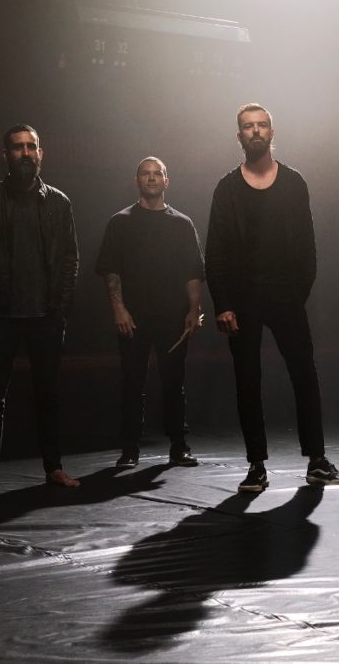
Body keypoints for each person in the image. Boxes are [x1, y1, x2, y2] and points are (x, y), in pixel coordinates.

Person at [205, 103, 339, 493]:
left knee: (304, 374)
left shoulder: (293, 183)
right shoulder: (226, 188)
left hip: (287, 296)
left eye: (262, 125)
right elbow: (215, 252)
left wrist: (296, 293)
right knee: (247, 380)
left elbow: (307, 245)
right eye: (247, 126)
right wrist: (223, 303)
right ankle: (256, 466)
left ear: (272, 132)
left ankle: (317, 461)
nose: (255, 131)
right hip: (242, 300)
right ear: (239, 136)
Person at [0, 124, 81, 493]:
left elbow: (70, 259)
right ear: (6, 155)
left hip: (46, 315)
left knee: (49, 395)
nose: (25, 153)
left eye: (31, 147)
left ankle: (54, 468)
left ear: (40, 154)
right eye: (18, 147)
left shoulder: (59, 202)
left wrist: (60, 309)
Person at [95, 157, 205, 469]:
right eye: (146, 173)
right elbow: (111, 270)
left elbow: (193, 272)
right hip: (134, 316)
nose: (152, 178)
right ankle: (130, 449)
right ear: (137, 181)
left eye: (158, 174)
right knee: (133, 382)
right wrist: (119, 309)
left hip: (173, 316)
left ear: (166, 181)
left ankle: (179, 446)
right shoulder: (120, 222)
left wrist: (194, 309)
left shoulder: (181, 223)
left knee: (174, 382)